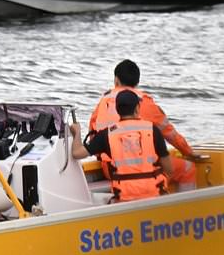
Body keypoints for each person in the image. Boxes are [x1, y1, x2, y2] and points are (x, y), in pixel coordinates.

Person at [87, 59, 204, 190]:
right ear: (137, 82)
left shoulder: (103, 101)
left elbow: (93, 136)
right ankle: (183, 208)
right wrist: (188, 152)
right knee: (187, 168)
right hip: (142, 168)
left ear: (116, 80)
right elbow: (169, 133)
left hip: (110, 169)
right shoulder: (144, 101)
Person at [69, 91, 174, 201]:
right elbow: (169, 169)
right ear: (137, 108)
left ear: (118, 111)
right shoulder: (152, 129)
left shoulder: (108, 134)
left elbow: (77, 153)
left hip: (124, 196)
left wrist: (77, 132)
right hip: (154, 193)